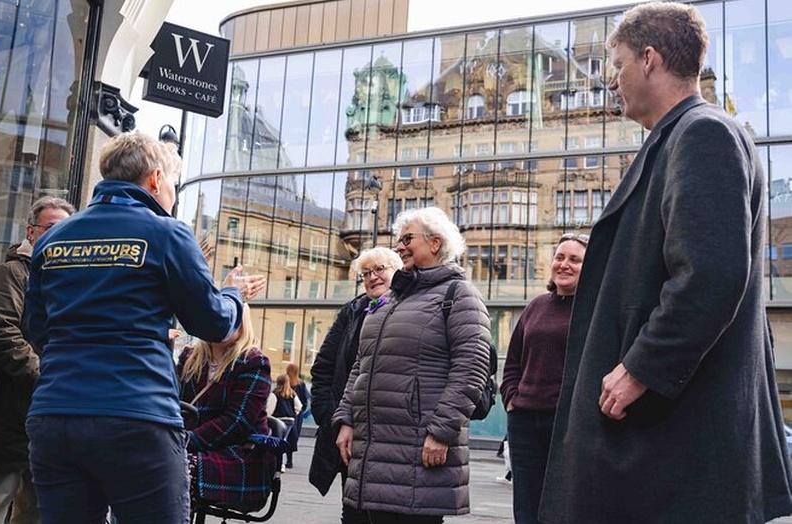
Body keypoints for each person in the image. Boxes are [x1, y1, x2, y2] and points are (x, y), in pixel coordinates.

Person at [540, 3, 792, 523]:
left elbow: (711, 275)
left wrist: (639, 368)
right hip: (667, 442)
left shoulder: (703, 133)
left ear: (649, 58)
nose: (613, 81)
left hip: (675, 441)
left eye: (618, 64)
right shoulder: (681, 136)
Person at [23, 132, 266, 524]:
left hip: (56, 416)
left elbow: (38, 329)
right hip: (136, 416)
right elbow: (215, 323)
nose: (172, 193)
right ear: (155, 179)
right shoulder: (167, 233)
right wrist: (233, 294)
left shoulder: (52, 240)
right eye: (173, 182)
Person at [333, 207, 492, 523]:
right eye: (398, 240)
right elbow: (362, 365)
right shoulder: (390, 300)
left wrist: (442, 432)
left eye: (407, 239)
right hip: (373, 451)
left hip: (418, 448)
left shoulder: (459, 294)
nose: (399, 246)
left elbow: (471, 368)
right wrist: (346, 418)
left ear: (435, 243)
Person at [0, 196, 75, 524]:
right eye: (51, 227)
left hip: (53, 412)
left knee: (35, 509)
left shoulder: (72, 280)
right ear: (31, 232)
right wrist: (48, 376)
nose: (60, 235)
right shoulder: (11, 273)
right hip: (15, 407)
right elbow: (0, 333)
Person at [499, 233, 587, 524]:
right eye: (560, 257)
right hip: (524, 420)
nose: (564, 264)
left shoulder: (594, 311)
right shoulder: (536, 306)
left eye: (575, 259)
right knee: (526, 503)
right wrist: (512, 399)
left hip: (567, 423)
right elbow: (512, 362)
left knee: (565, 504)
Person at [309, 246, 402, 524]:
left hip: (393, 436)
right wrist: (331, 417)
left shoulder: (413, 308)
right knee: (353, 512)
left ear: (398, 271)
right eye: (365, 273)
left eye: (379, 269)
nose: (372, 277)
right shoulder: (353, 311)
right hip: (351, 436)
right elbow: (323, 367)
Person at [177, 304, 276, 511]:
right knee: (144, 462)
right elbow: (170, 405)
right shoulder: (189, 357)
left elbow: (237, 422)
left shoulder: (254, 362)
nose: (223, 323)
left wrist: (184, 440)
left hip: (238, 453)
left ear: (242, 322)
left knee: (175, 469)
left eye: (230, 317)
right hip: (190, 447)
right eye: (217, 316)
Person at [271, 373, 302, 469]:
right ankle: (288, 462)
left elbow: (271, 406)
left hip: (278, 419)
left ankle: (280, 463)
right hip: (290, 420)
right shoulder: (292, 394)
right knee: (287, 439)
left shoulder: (275, 393)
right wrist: (293, 413)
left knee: (279, 440)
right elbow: (299, 406)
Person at [285, 362, 309, 467]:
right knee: (294, 436)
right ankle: (289, 460)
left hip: (285, 412)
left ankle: (283, 459)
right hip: (297, 414)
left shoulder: (284, 383)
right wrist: (301, 409)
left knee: (284, 435)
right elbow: (304, 399)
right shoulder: (301, 384)